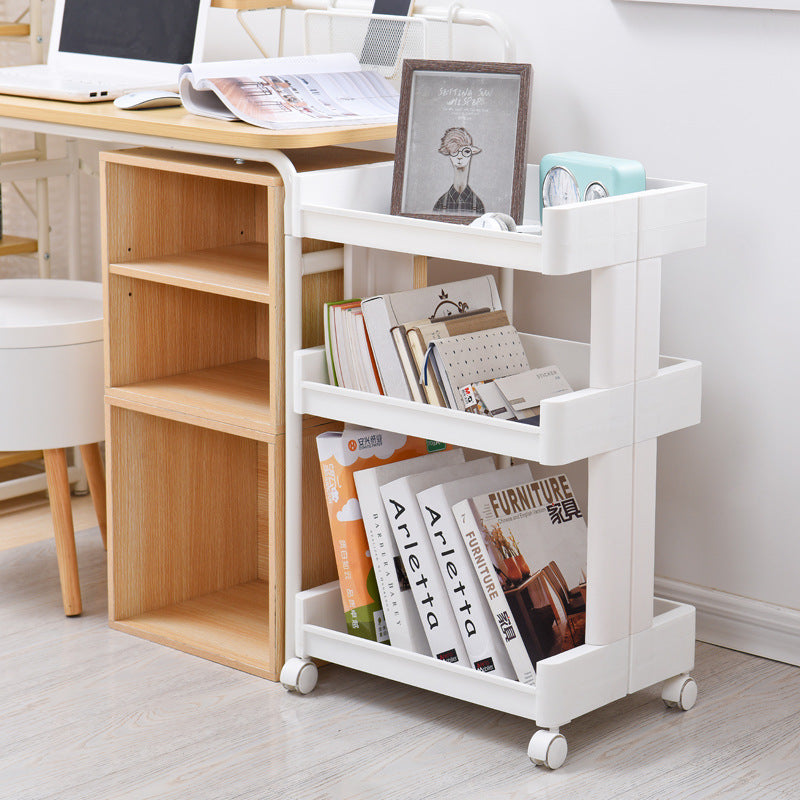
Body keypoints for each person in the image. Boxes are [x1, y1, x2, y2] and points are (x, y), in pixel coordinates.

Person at [433, 127, 485, 216]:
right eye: (454, 152)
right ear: (449, 154)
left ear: (471, 153)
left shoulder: (477, 205)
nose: (460, 156)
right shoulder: (441, 203)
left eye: (466, 151)